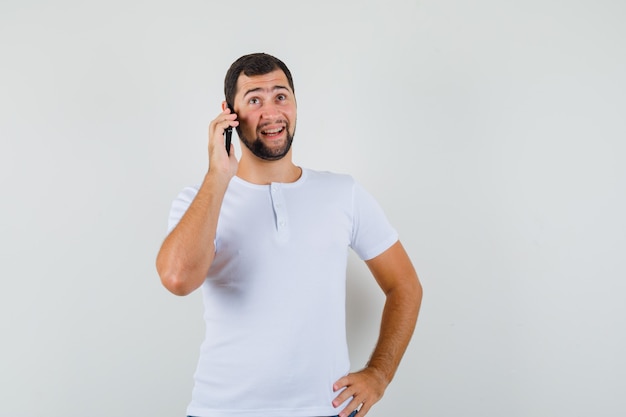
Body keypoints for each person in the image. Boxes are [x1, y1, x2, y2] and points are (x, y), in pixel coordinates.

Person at [156, 52, 422, 417]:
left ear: (295, 104)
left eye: (280, 96)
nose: (271, 112)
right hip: (221, 410)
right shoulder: (199, 200)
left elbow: (405, 285)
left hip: (325, 410)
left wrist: (380, 374)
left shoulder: (343, 193)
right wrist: (218, 176)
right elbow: (177, 278)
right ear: (228, 115)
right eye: (254, 100)